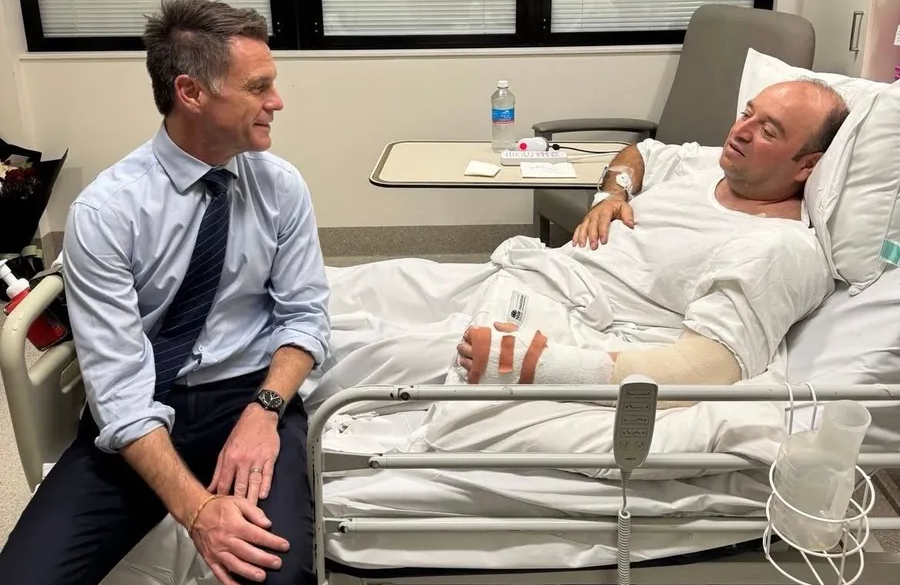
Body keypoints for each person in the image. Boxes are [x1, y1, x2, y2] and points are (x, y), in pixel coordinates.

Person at [0, 0, 330, 585]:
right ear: (191, 92)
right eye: (258, 86)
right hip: (144, 408)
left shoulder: (280, 187)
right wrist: (199, 510)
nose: (277, 101)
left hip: (250, 399)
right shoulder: (108, 211)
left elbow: (305, 317)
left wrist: (266, 408)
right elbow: (120, 394)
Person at [302, 78, 848, 408]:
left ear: (808, 166)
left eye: (769, 130)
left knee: (374, 354)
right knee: (371, 282)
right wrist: (613, 194)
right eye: (747, 112)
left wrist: (541, 365)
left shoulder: (779, 250)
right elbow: (639, 153)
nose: (741, 131)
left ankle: (260, 398)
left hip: (567, 322)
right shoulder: (708, 164)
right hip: (530, 275)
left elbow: (706, 370)